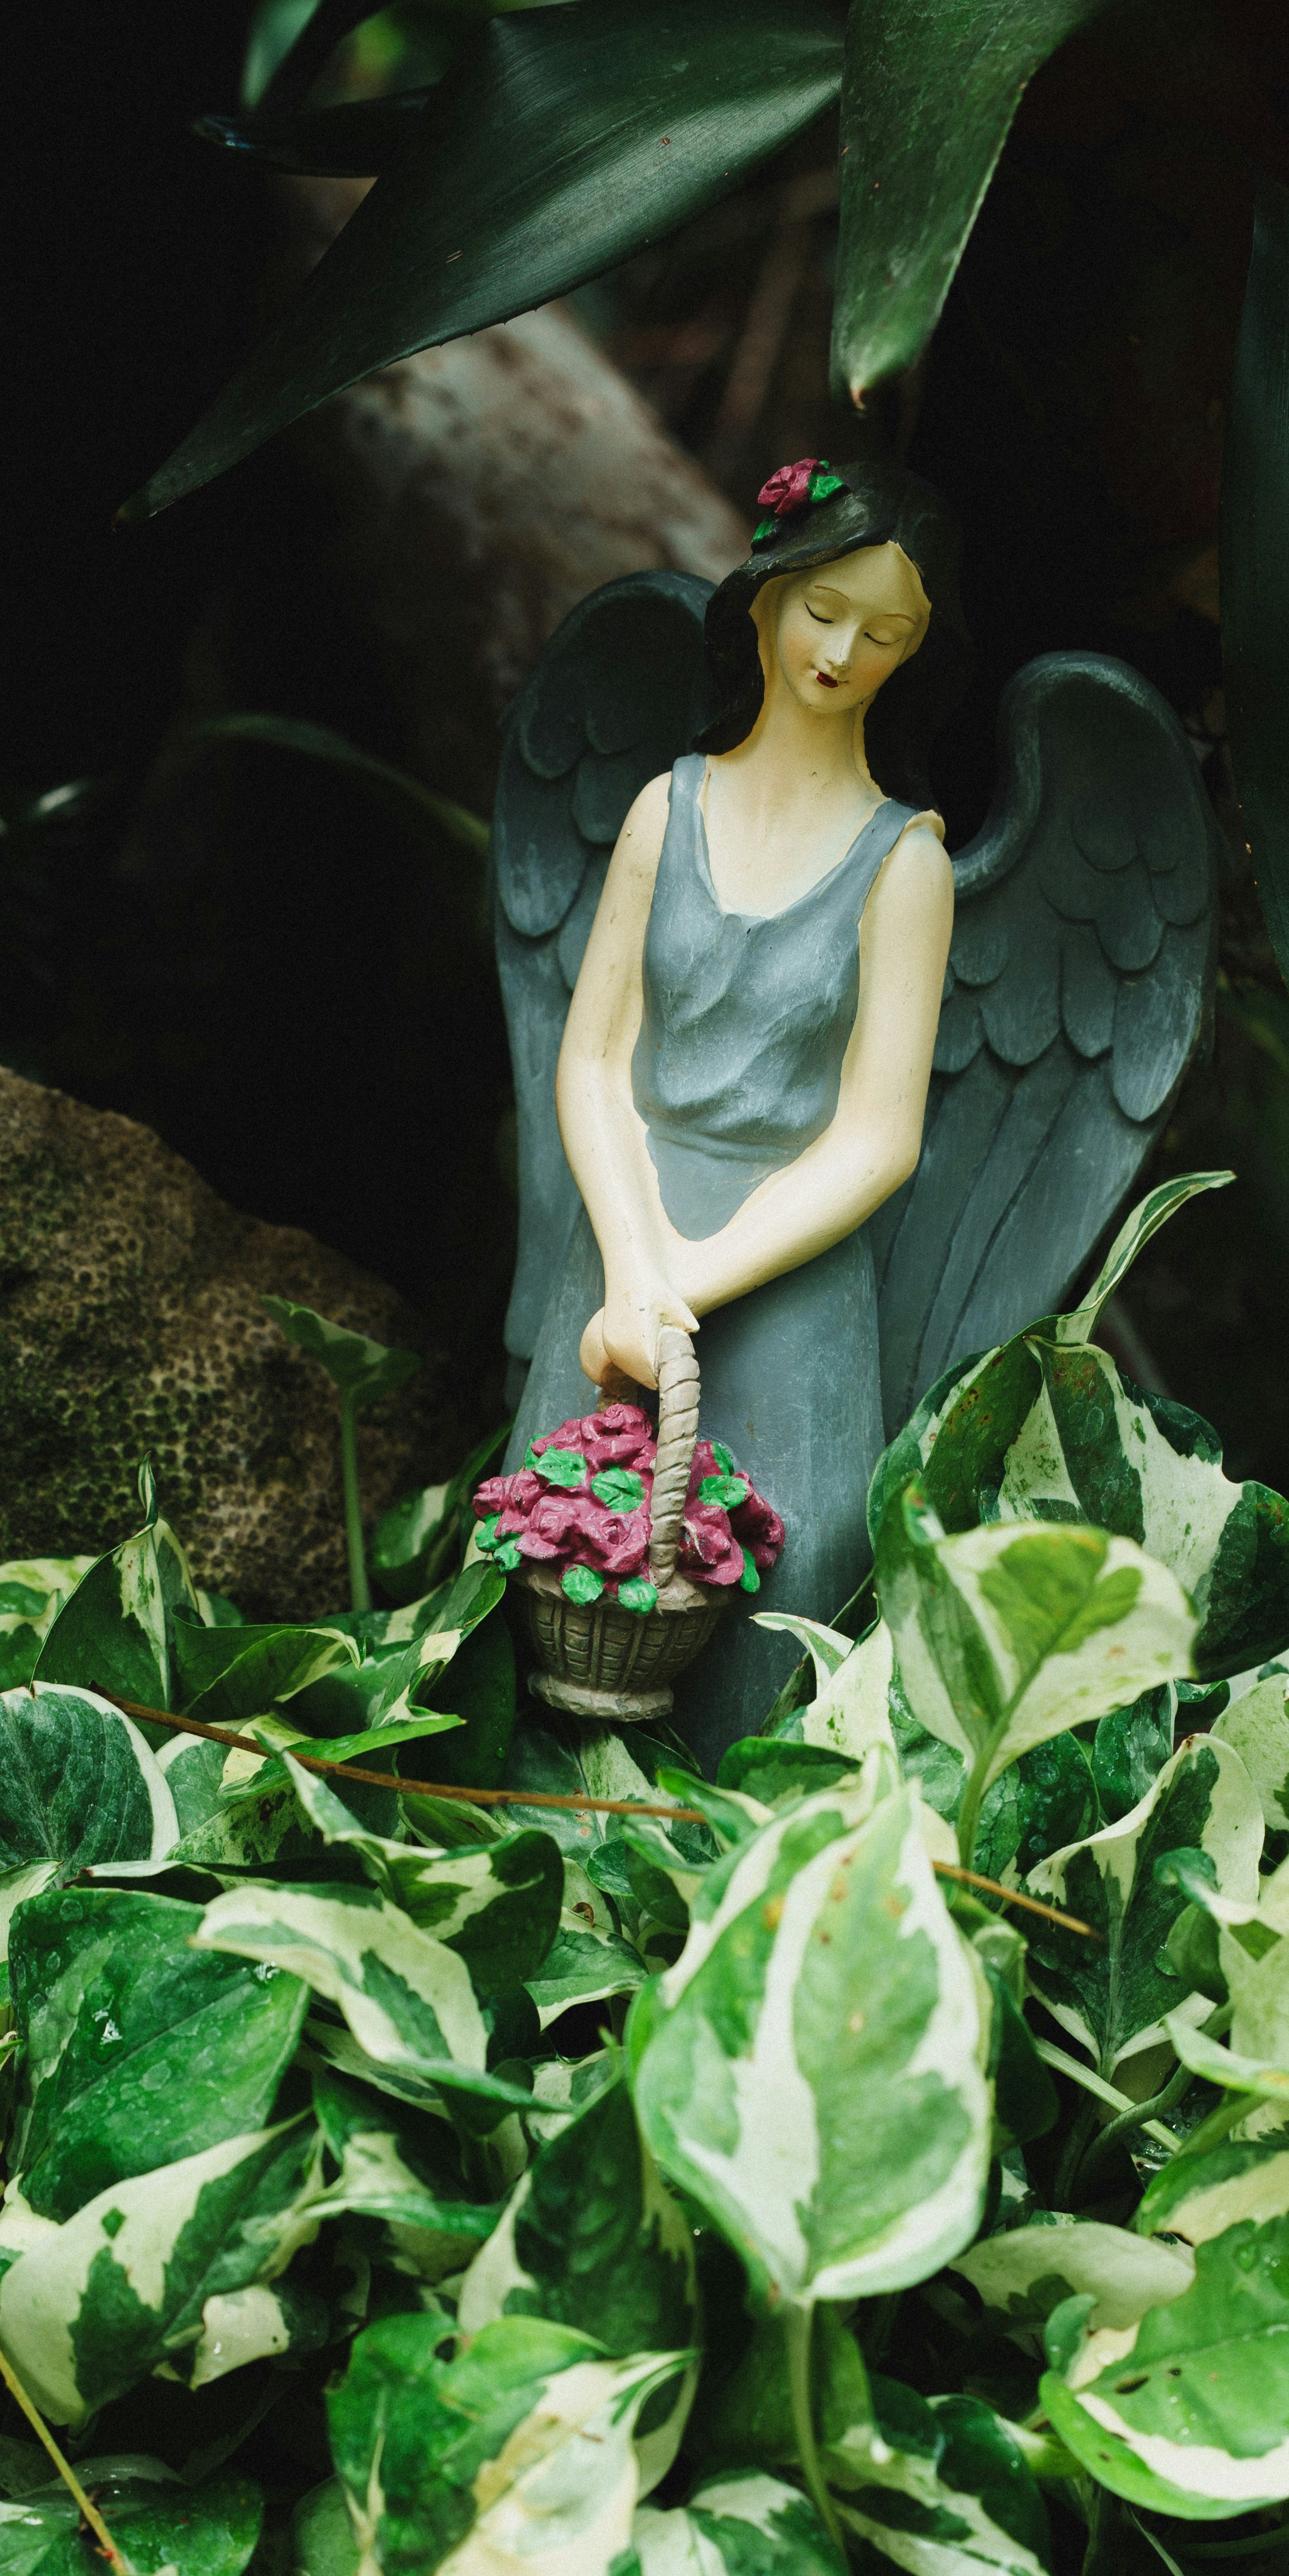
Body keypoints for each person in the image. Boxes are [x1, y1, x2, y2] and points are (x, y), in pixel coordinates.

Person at [507, 459, 966, 1759]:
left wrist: (690, 1291)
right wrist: (635, 1270)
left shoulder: (906, 864)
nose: (838, 652)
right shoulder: (666, 808)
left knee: (788, 1581)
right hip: (622, 1243)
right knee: (559, 1569)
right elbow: (592, 1063)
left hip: (785, 1274)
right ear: (762, 603)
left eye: (882, 634)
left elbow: (879, 1139)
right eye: (821, 609)